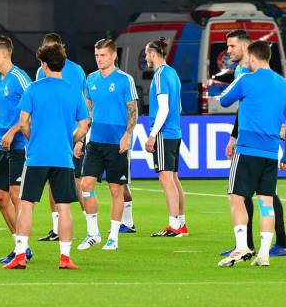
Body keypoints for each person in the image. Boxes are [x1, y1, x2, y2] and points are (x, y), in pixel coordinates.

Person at [3, 42, 90, 270]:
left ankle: (20, 255)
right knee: (64, 207)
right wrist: (69, 141)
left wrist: (34, 139)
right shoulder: (73, 90)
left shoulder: (34, 88)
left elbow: (23, 123)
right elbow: (84, 125)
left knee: (26, 204)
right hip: (63, 156)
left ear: (43, 63)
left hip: (37, 156)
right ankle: (65, 258)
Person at [217, 40, 286, 267]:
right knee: (265, 202)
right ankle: (263, 253)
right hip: (271, 153)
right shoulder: (285, 85)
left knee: (236, 198)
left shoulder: (245, 79)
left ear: (251, 58)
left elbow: (223, 100)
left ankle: (242, 246)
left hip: (247, 151)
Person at [77, 39, 138, 251]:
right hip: (95, 142)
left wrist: (128, 135)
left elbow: (133, 110)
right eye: (96, 55)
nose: (99, 59)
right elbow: (88, 112)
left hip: (117, 143)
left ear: (113, 56)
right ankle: (93, 233)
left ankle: (113, 237)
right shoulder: (91, 79)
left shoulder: (124, 80)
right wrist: (81, 139)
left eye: (103, 55)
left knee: (116, 190)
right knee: (85, 185)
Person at [33, 33, 90, 242]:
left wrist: (80, 138)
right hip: (71, 133)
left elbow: (39, 104)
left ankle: (85, 226)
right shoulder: (76, 70)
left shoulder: (47, 71)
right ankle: (65, 228)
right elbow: (85, 104)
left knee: (73, 182)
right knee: (65, 182)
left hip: (63, 135)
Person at [0, 35, 34, 264]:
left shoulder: (20, 78)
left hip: (20, 145)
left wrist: (13, 131)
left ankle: (21, 247)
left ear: (4, 54)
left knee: (15, 194)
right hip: (1, 145)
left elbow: (31, 111)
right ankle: (20, 243)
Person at [143, 37, 188, 237]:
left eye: (146, 53)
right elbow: (178, 106)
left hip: (163, 132)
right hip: (175, 132)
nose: (145, 57)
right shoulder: (173, 73)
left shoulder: (160, 75)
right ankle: (181, 223)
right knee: (174, 178)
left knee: (166, 178)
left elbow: (164, 108)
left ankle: (173, 225)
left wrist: (152, 135)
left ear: (153, 54)